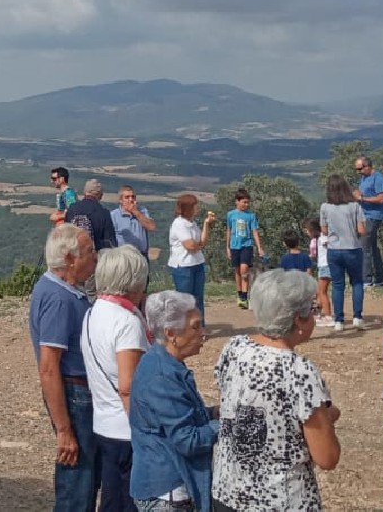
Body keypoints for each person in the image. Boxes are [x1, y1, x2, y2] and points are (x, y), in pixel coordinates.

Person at [212, 269, 340, 511]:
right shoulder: (299, 371)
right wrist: (327, 417)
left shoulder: (234, 348)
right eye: (313, 310)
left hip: (228, 493)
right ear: (298, 320)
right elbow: (327, 457)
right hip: (279, 501)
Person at [30, 223, 101, 512]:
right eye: (89, 251)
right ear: (70, 259)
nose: (95, 256)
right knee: (78, 483)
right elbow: (49, 367)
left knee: (85, 479)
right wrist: (64, 430)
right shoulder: (59, 299)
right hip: (74, 394)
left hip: (77, 393)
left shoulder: (61, 290)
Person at [128, 291, 214, 512]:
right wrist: (228, 425)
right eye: (196, 327)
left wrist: (214, 413)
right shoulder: (162, 375)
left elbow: (179, 415)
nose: (203, 333)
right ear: (171, 334)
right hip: (167, 493)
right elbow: (187, 440)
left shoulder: (164, 363)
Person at [82, 247, 151, 512]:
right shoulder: (126, 321)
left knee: (112, 500)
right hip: (128, 429)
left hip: (103, 422)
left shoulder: (93, 312)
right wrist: (147, 431)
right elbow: (128, 386)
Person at [318, 176, 365, 331]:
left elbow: (324, 230)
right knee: (357, 282)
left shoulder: (325, 207)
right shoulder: (355, 206)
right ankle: (357, 317)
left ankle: (339, 320)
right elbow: (361, 230)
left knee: (338, 285)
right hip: (353, 248)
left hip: (334, 250)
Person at [167, 194, 210, 327]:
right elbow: (190, 245)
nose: (198, 207)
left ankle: (199, 327)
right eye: (195, 205)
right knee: (185, 300)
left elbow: (202, 241)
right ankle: (184, 328)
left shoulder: (192, 223)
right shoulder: (179, 223)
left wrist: (206, 224)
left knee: (198, 298)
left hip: (197, 263)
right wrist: (198, 245)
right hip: (183, 266)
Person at [353, 156, 383, 287]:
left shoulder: (377, 178)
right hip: (365, 215)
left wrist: (362, 198)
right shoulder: (364, 178)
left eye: (360, 169)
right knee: (372, 247)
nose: (358, 172)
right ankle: (379, 278)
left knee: (365, 246)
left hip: (373, 215)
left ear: (367, 166)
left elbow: (381, 199)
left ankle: (366, 279)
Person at [225, 189, 263, 310]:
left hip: (247, 245)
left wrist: (259, 247)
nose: (246, 204)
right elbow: (229, 230)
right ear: (237, 201)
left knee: (244, 270)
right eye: (244, 202)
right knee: (237, 271)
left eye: (247, 202)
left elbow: (254, 231)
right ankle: (240, 294)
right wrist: (227, 247)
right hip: (234, 245)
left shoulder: (251, 215)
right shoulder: (230, 215)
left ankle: (245, 296)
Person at [67, 179, 120, 253]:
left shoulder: (72, 209)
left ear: (84, 192)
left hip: (73, 255)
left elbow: (65, 235)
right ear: (100, 196)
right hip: (94, 257)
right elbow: (110, 243)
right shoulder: (104, 213)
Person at [111, 186, 158, 259]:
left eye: (133, 197)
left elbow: (152, 227)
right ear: (121, 200)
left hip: (141, 255)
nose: (131, 199)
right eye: (127, 197)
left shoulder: (142, 211)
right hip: (123, 256)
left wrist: (136, 212)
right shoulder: (114, 215)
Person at [306, 217, 331, 326]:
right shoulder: (321, 238)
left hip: (325, 266)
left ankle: (328, 316)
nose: (307, 233)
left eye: (307, 230)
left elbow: (314, 253)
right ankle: (321, 313)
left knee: (322, 292)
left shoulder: (321, 238)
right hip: (324, 266)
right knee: (320, 291)